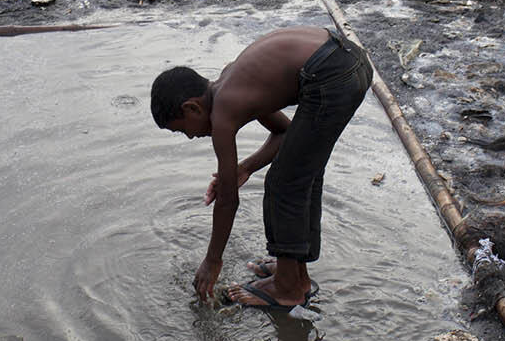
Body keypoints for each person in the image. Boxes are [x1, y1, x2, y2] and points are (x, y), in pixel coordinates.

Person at [150, 27, 373, 310]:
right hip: (348, 59)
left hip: (331, 74)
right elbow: (284, 132)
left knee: (285, 183)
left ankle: (288, 289)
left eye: (183, 131)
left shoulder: (222, 113)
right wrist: (246, 168)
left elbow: (228, 201)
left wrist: (212, 260)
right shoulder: (233, 83)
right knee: (300, 175)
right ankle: (293, 274)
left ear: (192, 108)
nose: (191, 137)